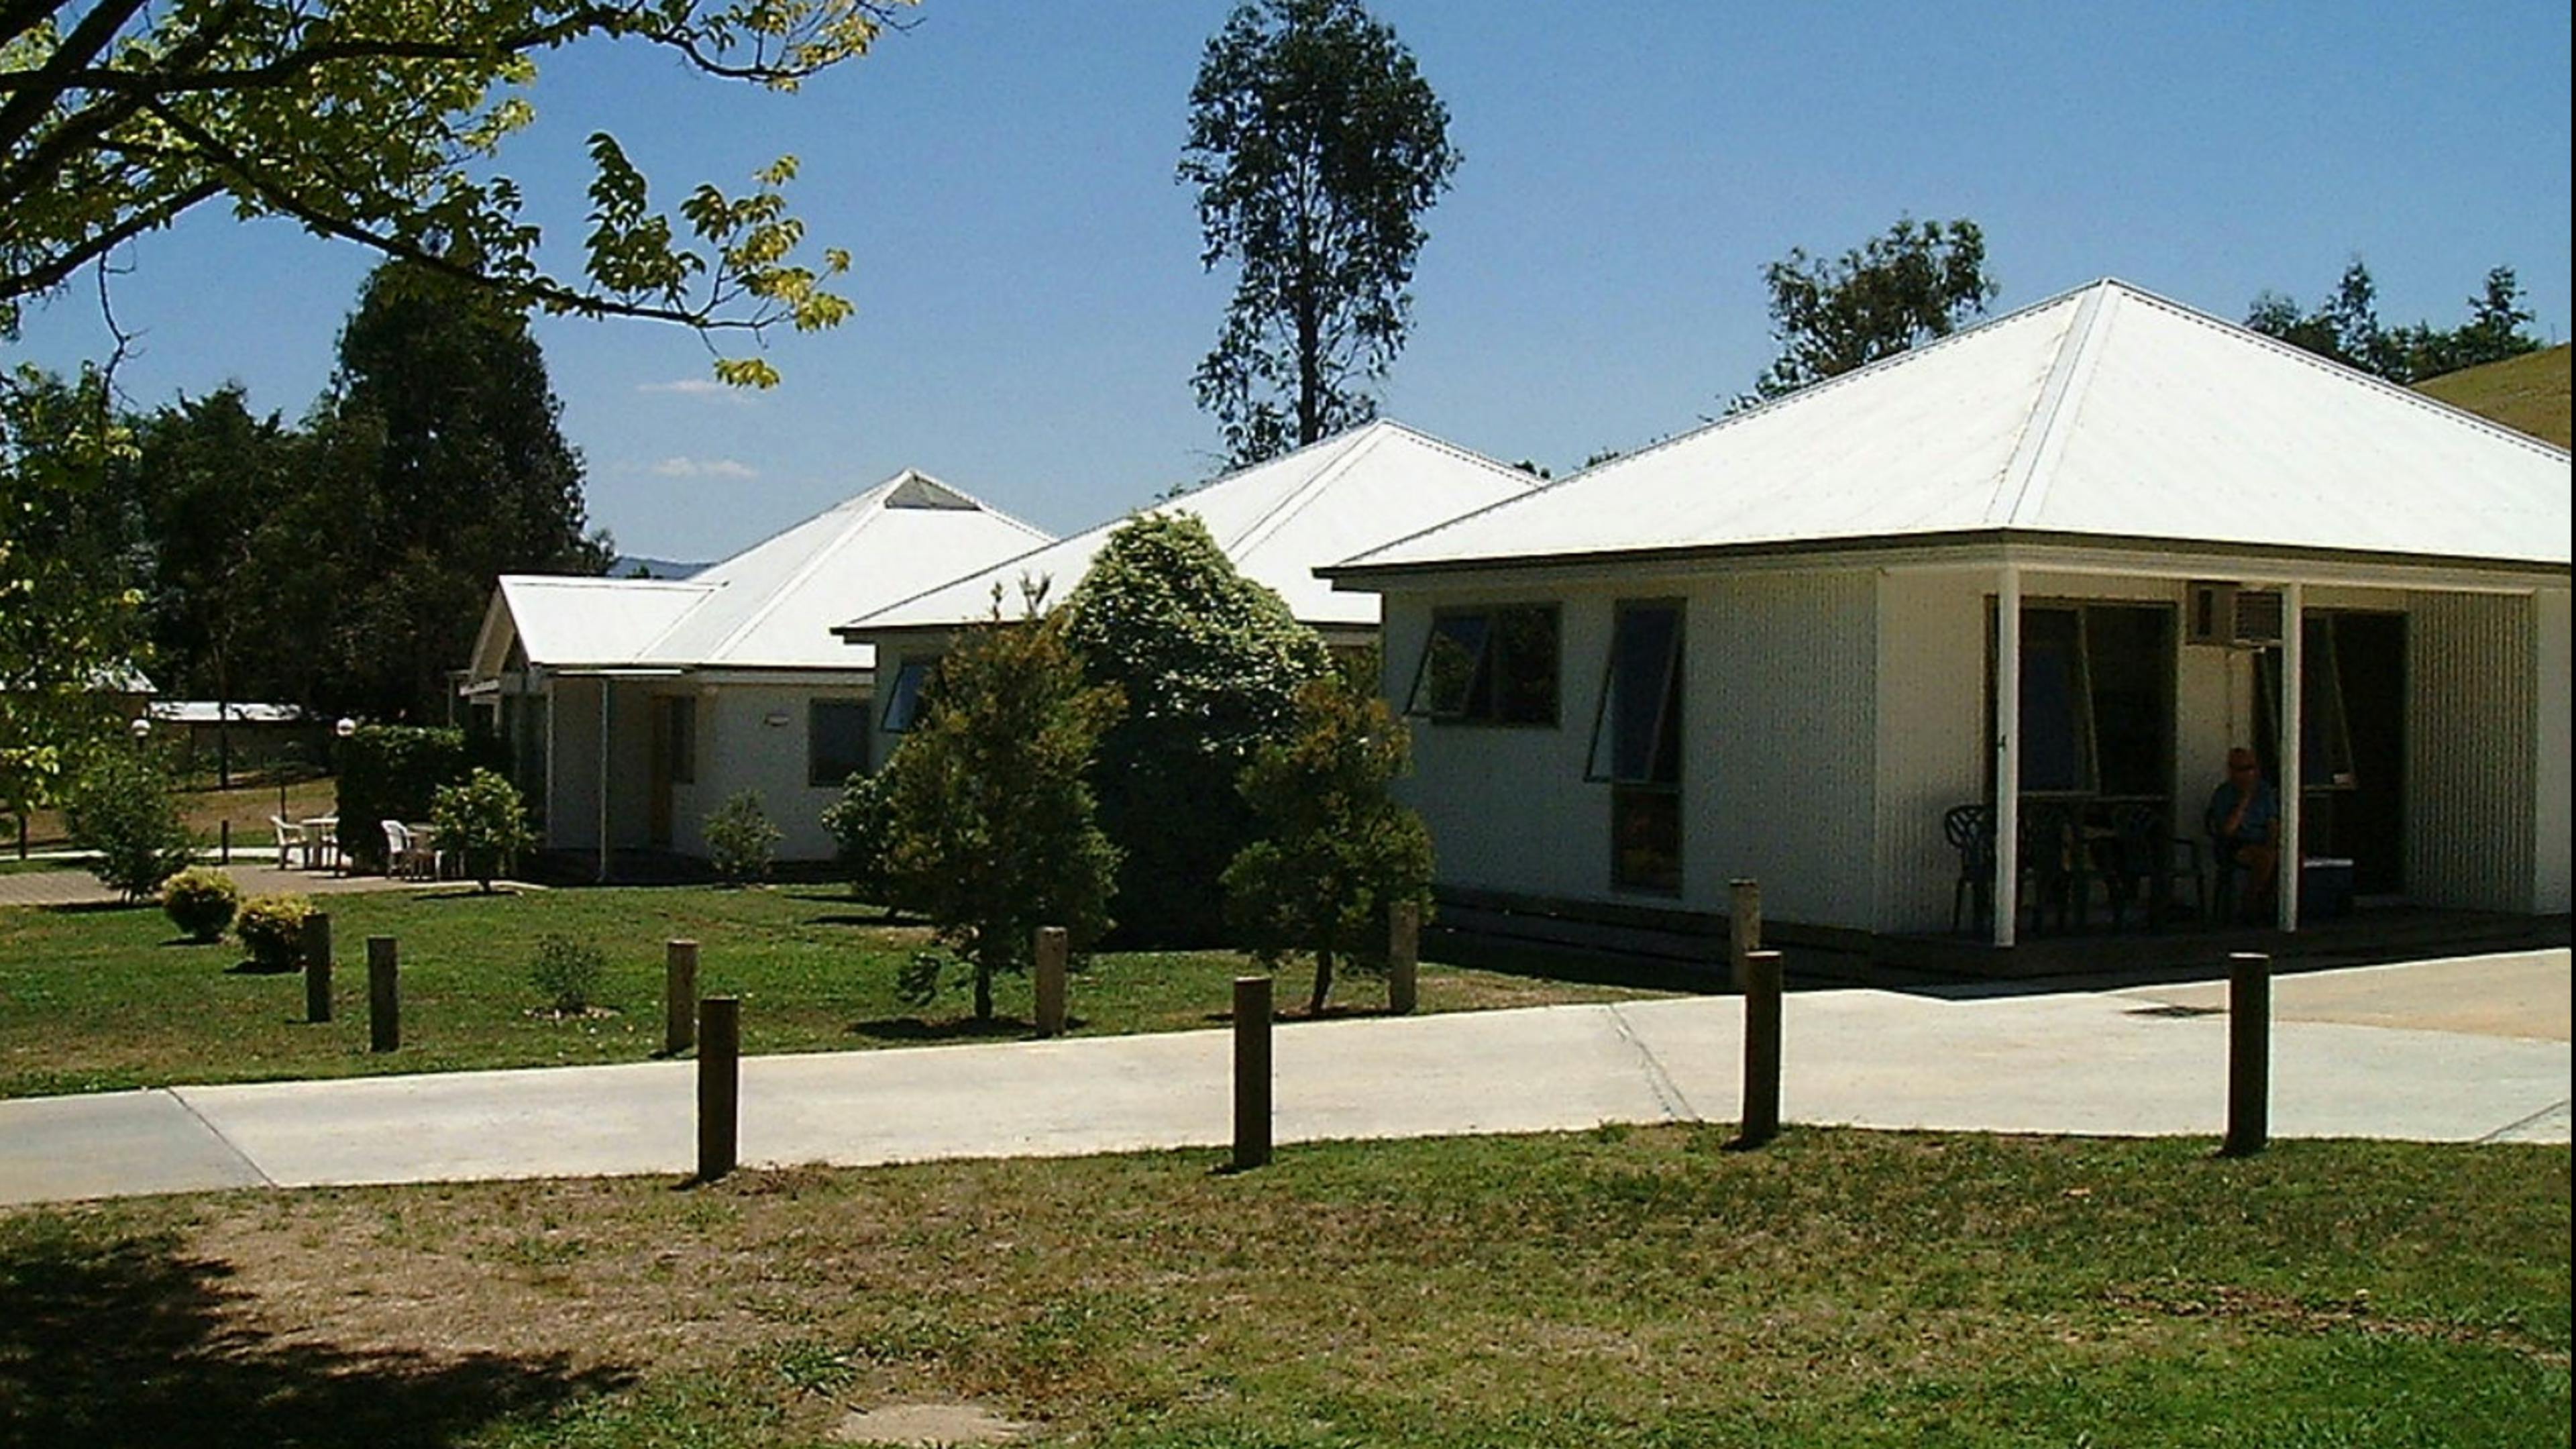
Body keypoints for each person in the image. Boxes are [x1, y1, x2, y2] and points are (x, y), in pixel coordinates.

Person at [2204, 747, 2279, 921]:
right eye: (2242, 769)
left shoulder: (2264, 791)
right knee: (2264, 859)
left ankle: (2272, 904)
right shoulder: (2223, 794)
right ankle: (2250, 905)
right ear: (2231, 771)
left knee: (2291, 859)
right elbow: (2227, 830)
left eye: (2251, 768)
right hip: (2234, 844)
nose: (2249, 774)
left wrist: (2273, 844)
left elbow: (2273, 823)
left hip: (2263, 842)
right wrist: (2244, 800)